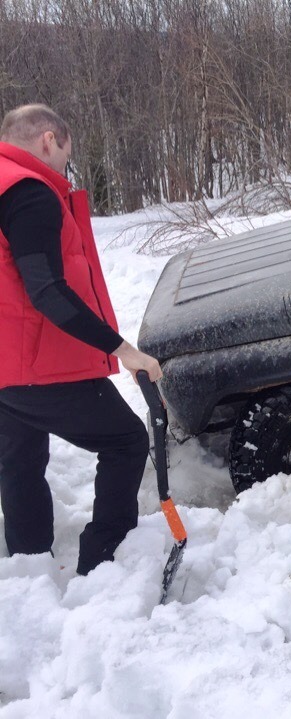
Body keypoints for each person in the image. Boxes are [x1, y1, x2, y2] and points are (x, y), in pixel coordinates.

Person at [0, 104, 161, 575]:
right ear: (49, 140)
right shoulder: (29, 192)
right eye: (67, 154)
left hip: (8, 364)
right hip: (34, 363)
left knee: (20, 459)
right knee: (127, 441)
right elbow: (47, 291)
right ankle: (105, 558)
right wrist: (125, 351)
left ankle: (29, 572)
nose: (66, 167)